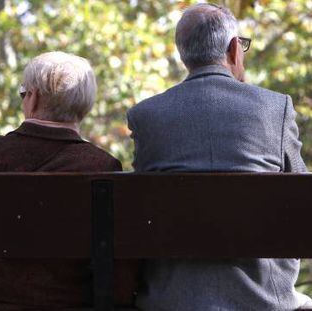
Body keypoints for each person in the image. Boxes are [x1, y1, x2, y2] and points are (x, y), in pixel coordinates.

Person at [127, 3, 312, 310]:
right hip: (264, 299)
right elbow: (302, 206)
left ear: (183, 54)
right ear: (233, 49)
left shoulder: (146, 116)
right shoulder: (274, 108)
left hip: (172, 299)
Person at [0, 51, 138, 309]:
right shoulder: (100, 166)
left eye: (24, 93)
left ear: (33, 98)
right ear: (84, 105)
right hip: (66, 302)